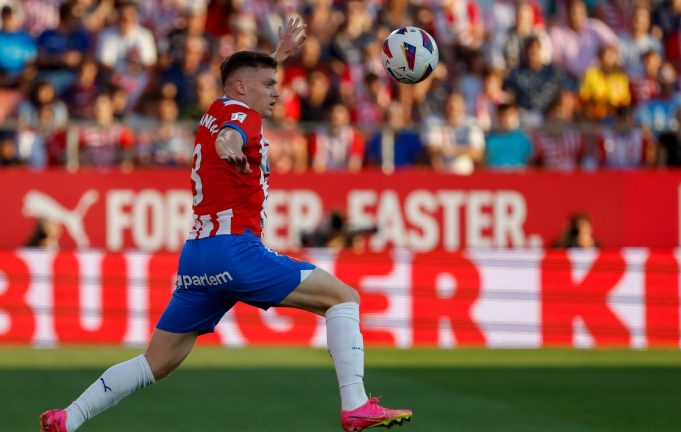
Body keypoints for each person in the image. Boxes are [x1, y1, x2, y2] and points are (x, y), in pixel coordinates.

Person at [39, 17, 412, 432]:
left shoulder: (215, 109)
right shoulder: (242, 118)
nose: (276, 92)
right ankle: (355, 403)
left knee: (156, 362)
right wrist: (230, 144)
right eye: (269, 85)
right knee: (342, 297)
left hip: (197, 257)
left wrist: (279, 54)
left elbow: (238, 95)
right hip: (236, 250)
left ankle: (68, 416)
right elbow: (233, 134)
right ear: (242, 88)